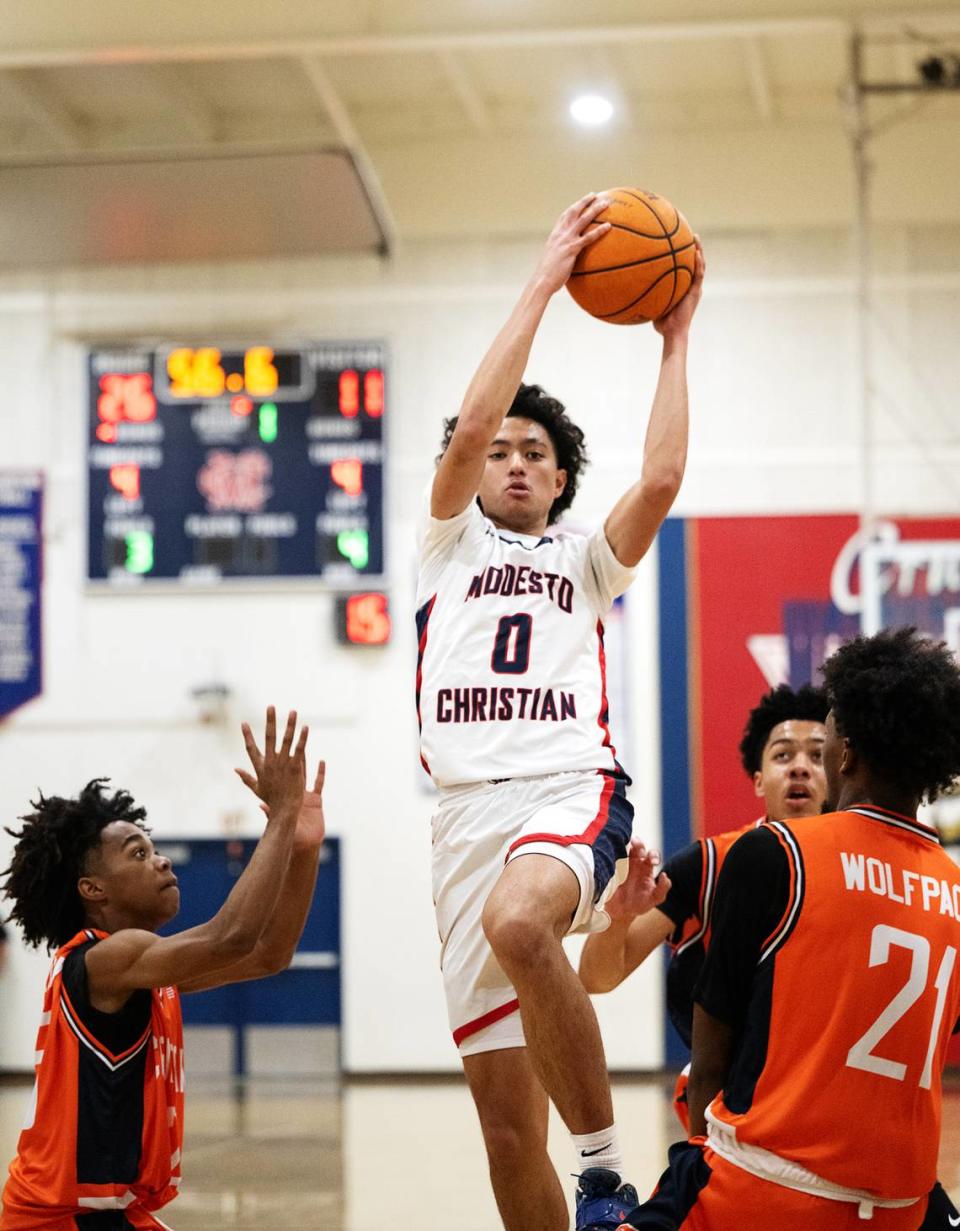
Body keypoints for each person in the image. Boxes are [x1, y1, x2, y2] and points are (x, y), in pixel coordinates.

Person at [416, 191, 705, 1231]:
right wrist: (544, 280)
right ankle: (559, 1192)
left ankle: (603, 1177)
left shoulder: (585, 561)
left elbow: (664, 475)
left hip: (567, 789)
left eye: (539, 452)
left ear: (562, 478)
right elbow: (471, 428)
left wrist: (674, 338)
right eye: (504, 449)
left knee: (521, 919)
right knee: (502, 1136)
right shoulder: (447, 543)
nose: (518, 459)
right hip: (460, 821)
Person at [623, 628, 960, 1230]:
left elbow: (711, 1047)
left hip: (764, 1190)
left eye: (826, 732)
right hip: (901, 1209)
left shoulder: (775, 852)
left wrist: (703, 1154)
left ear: (847, 755)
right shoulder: (953, 890)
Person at [0, 708, 325, 1231]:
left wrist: (303, 848)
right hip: (57, 1220)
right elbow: (232, 936)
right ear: (93, 889)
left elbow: (268, 953)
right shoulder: (106, 960)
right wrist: (281, 818)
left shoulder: (139, 972)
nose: (162, 861)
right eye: (138, 853)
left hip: (113, 1213)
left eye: (153, 848)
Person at [579, 684, 828, 1129]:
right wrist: (617, 917)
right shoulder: (710, 863)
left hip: (826, 1097)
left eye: (817, 755)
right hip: (729, 1102)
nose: (801, 769)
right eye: (784, 755)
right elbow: (599, 976)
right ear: (758, 778)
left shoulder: (858, 869)